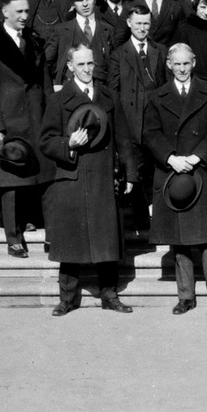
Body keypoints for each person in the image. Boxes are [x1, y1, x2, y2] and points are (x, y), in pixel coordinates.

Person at [143, 43, 207, 317]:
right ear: (169, 65)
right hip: (173, 172)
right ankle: (185, 296)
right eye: (177, 64)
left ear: (194, 62)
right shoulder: (157, 95)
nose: (182, 69)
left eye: (187, 63)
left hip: (204, 171)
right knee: (180, 238)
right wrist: (170, 157)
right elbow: (150, 132)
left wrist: (197, 157)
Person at [39, 44, 134, 315]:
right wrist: (68, 143)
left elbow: (123, 138)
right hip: (73, 177)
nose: (87, 69)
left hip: (104, 177)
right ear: (70, 66)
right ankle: (67, 298)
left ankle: (109, 295)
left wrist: (131, 174)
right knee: (70, 240)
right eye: (81, 64)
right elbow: (45, 141)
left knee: (107, 239)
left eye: (90, 63)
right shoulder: (58, 100)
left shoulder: (108, 95)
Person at [0, 0, 51, 257]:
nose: (24, 16)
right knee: (10, 181)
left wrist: (50, 119)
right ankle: (13, 236)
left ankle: (44, 229)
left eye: (26, 11)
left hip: (35, 119)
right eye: (19, 11)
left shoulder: (33, 40)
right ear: (5, 13)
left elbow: (44, 84)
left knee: (40, 175)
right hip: (8, 123)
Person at [108, 5, 165, 240]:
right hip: (131, 125)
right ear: (129, 23)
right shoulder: (118, 54)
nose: (142, 28)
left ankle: (162, 218)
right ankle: (142, 218)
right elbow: (112, 92)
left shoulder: (160, 51)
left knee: (159, 172)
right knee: (136, 174)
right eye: (138, 23)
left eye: (146, 23)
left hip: (154, 124)